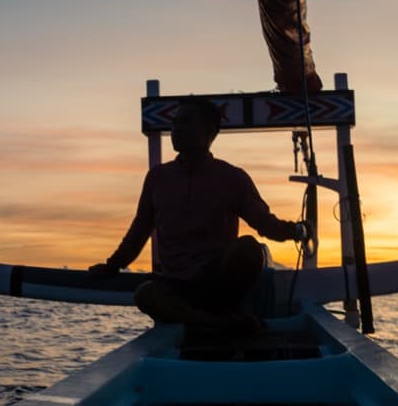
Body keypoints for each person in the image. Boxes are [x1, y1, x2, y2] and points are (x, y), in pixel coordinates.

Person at [89, 98, 307, 331]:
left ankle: (214, 319)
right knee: (145, 294)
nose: (176, 129)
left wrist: (297, 231)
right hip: (176, 284)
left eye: (185, 122)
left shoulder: (232, 178)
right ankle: (222, 324)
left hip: (219, 284)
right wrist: (112, 266)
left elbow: (265, 224)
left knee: (249, 248)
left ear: (209, 131)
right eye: (174, 123)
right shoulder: (157, 178)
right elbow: (139, 230)